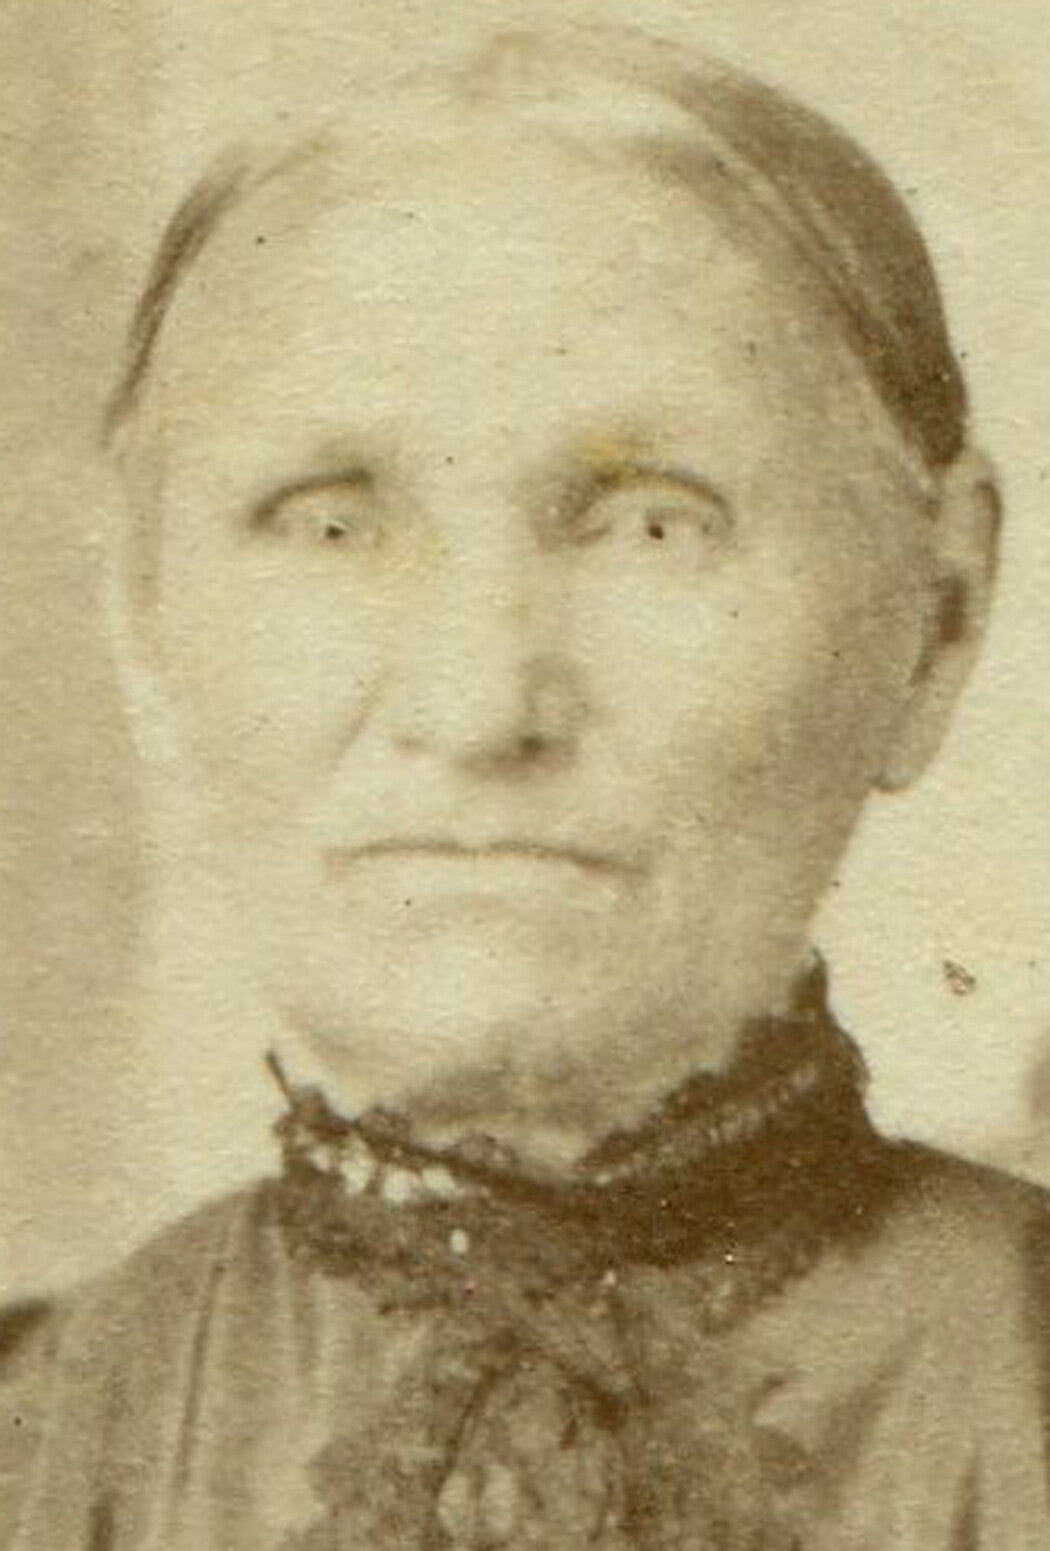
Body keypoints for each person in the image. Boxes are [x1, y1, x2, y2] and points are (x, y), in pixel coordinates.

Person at [2, 22, 1046, 1549]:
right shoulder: (39, 1448)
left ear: (936, 617)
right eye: (330, 522)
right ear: (142, 618)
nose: (479, 707)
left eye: (651, 521)